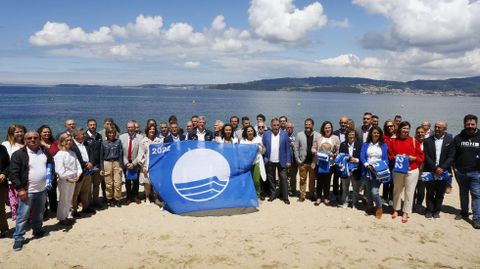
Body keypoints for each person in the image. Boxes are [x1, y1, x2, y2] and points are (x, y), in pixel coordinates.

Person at [10, 131, 54, 251]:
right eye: (29, 138)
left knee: (39, 213)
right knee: (22, 216)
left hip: (42, 189)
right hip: (27, 191)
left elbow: (51, 164)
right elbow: (13, 173)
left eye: (35, 138)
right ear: (25, 141)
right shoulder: (18, 154)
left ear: (39, 139)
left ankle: (37, 231)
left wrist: (50, 180)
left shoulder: (44, 151)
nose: (33, 140)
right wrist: (20, 189)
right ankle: (18, 238)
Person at [389, 121, 425, 223]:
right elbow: (390, 155)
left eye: (407, 128)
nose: (405, 130)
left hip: (412, 170)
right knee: (397, 190)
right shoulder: (394, 141)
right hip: (398, 170)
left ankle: (406, 212)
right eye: (403, 128)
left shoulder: (414, 141)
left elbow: (421, 157)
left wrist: (413, 158)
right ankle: (396, 209)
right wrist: (396, 157)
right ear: (400, 129)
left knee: (409, 192)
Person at [453, 114, 480, 228]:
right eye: (468, 124)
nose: (470, 126)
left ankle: (476, 218)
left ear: (476, 124)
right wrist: (454, 167)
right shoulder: (458, 137)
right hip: (461, 172)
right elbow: (453, 154)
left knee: (476, 195)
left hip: (476, 172)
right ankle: (464, 212)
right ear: (464, 124)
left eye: (472, 124)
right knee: (463, 194)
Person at [423, 120, 454, 219]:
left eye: (439, 127)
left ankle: (437, 211)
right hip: (430, 170)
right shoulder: (427, 140)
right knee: (430, 192)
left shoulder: (450, 141)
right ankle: (429, 210)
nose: (436, 129)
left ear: (445, 129)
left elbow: (451, 156)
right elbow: (426, 156)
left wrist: (442, 168)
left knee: (440, 193)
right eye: (436, 127)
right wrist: (435, 168)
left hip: (444, 171)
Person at [361, 127, 389, 218]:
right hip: (367, 170)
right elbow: (362, 156)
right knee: (368, 192)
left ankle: (379, 208)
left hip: (378, 172)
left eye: (378, 133)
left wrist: (378, 168)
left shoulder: (383, 145)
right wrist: (367, 165)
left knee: (375, 191)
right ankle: (370, 207)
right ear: (371, 134)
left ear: (380, 134)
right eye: (374, 133)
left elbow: (386, 159)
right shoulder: (366, 144)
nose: (376, 134)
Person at [54, 133, 82, 225]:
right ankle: (61, 218)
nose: (69, 142)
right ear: (61, 142)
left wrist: (78, 175)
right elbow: (59, 170)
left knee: (69, 199)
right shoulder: (59, 155)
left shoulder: (72, 153)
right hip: (64, 180)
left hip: (73, 178)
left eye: (70, 140)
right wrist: (67, 178)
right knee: (63, 199)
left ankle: (66, 216)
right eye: (66, 140)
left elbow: (78, 165)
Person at [262, 118, 291, 204]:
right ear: (271, 126)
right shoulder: (266, 134)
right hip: (270, 161)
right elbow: (263, 147)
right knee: (271, 179)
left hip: (282, 161)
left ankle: (285, 197)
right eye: (274, 125)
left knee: (283, 178)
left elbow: (288, 149)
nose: (276, 127)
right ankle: (273, 194)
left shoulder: (284, 134)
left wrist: (288, 161)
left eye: (277, 125)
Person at [312, 121, 341, 206]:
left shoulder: (335, 138)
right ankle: (318, 197)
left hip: (330, 163)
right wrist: (314, 151)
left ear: (331, 128)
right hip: (319, 162)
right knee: (319, 181)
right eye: (326, 128)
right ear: (323, 129)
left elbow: (337, 151)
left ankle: (326, 197)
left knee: (327, 181)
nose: (327, 129)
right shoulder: (318, 137)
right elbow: (313, 148)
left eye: (329, 127)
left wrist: (334, 154)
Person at [2, 124, 26, 221]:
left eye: (21, 131)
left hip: (26, 175)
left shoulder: (26, 142)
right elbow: (5, 161)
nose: (20, 133)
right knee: (15, 199)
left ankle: (26, 215)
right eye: (17, 132)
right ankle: (18, 216)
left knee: (25, 198)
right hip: (13, 176)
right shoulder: (6, 144)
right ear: (11, 133)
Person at [70, 128, 96, 216]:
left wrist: (91, 162)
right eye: (82, 134)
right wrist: (85, 164)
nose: (84, 135)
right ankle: (74, 210)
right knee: (76, 192)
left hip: (88, 171)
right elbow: (75, 158)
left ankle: (86, 207)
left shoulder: (85, 143)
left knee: (86, 191)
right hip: (78, 171)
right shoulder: (71, 145)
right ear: (76, 136)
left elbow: (91, 154)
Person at [136, 125, 163, 205]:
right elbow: (140, 156)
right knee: (147, 184)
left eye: (153, 129)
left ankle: (156, 198)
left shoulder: (159, 141)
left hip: (156, 165)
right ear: (147, 131)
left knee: (155, 183)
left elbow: (161, 153)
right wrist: (144, 165)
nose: (152, 131)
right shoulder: (143, 141)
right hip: (146, 165)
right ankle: (147, 197)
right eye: (150, 129)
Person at [294, 118, 319, 202]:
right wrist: (298, 160)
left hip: (313, 162)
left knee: (312, 180)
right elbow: (296, 148)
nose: (307, 126)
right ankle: (302, 195)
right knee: (302, 179)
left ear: (312, 125)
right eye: (306, 124)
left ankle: (311, 194)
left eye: (309, 124)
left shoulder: (318, 135)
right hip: (303, 162)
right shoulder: (299, 134)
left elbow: (320, 148)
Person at [37, 125, 59, 215]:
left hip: (53, 169)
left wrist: (46, 145)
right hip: (41, 169)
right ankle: (44, 210)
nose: (47, 133)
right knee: (43, 191)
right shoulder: (36, 143)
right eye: (45, 132)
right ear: (40, 133)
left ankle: (54, 208)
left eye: (48, 132)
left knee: (52, 190)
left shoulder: (54, 142)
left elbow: (58, 153)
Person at [119, 120, 142, 205]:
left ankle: (135, 196)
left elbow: (140, 152)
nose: (130, 129)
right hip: (126, 162)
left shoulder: (140, 137)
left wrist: (134, 163)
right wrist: (126, 163)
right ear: (126, 128)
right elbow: (120, 151)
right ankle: (129, 197)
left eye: (132, 127)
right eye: (128, 127)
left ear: (135, 128)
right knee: (127, 181)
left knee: (136, 180)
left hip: (136, 162)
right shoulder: (122, 137)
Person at [100, 128, 124, 207]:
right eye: (109, 133)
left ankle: (117, 199)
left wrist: (121, 166)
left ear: (115, 133)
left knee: (118, 183)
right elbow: (101, 156)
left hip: (116, 162)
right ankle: (109, 199)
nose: (111, 134)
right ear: (107, 134)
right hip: (107, 163)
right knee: (108, 184)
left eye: (113, 133)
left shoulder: (118, 142)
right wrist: (102, 168)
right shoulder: (103, 143)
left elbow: (121, 154)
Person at [339, 129, 362, 209]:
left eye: (353, 134)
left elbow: (362, 157)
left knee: (355, 188)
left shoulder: (360, 144)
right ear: (347, 135)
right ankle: (345, 202)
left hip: (356, 170)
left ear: (355, 135)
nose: (351, 136)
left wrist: (356, 160)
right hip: (345, 169)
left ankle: (354, 203)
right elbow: (340, 156)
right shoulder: (343, 145)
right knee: (345, 188)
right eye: (349, 134)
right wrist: (347, 159)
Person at [240, 125, 265, 197]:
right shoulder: (243, 141)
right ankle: (248, 195)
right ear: (246, 132)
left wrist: (262, 146)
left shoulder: (258, 139)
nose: (250, 132)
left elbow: (262, 152)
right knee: (247, 180)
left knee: (257, 180)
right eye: (248, 131)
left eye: (251, 131)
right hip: (247, 163)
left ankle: (257, 195)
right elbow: (241, 152)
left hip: (256, 162)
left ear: (254, 131)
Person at [84, 119, 103, 208]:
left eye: (94, 124)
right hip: (88, 166)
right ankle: (88, 203)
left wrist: (101, 166)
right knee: (88, 186)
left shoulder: (99, 136)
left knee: (96, 185)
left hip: (97, 165)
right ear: (87, 126)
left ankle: (96, 201)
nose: (93, 126)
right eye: (91, 125)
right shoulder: (84, 136)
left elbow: (101, 152)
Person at [382, 120, 396, 206]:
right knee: (385, 180)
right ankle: (384, 197)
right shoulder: (383, 138)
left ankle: (391, 198)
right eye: (387, 126)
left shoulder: (398, 137)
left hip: (395, 162)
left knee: (393, 181)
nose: (389, 128)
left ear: (394, 127)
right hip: (386, 162)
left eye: (391, 126)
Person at [413, 126, 426, 213]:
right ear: (415, 133)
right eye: (418, 132)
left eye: (422, 132)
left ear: (425, 133)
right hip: (413, 169)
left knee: (421, 190)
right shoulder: (413, 142)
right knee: (412, 189)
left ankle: (419, 204)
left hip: (424, 170)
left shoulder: (428, 143)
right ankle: (411, 204)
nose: (420, 134)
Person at [286, 122, 298, 197]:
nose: (289, 129)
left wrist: (295, 145)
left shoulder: (297, 136)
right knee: (285, 177)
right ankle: (284, 190)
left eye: (291, 128)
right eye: (288, 128)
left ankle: (292, 191)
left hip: (294, 160)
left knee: (293, 177)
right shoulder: (282, 136)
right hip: (285, 160)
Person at [0, 144, 10, 238]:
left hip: (1, 182)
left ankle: (4, 229)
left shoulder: (2, 148)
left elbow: (8, 165)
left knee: (1, 209)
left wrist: (4, 174)